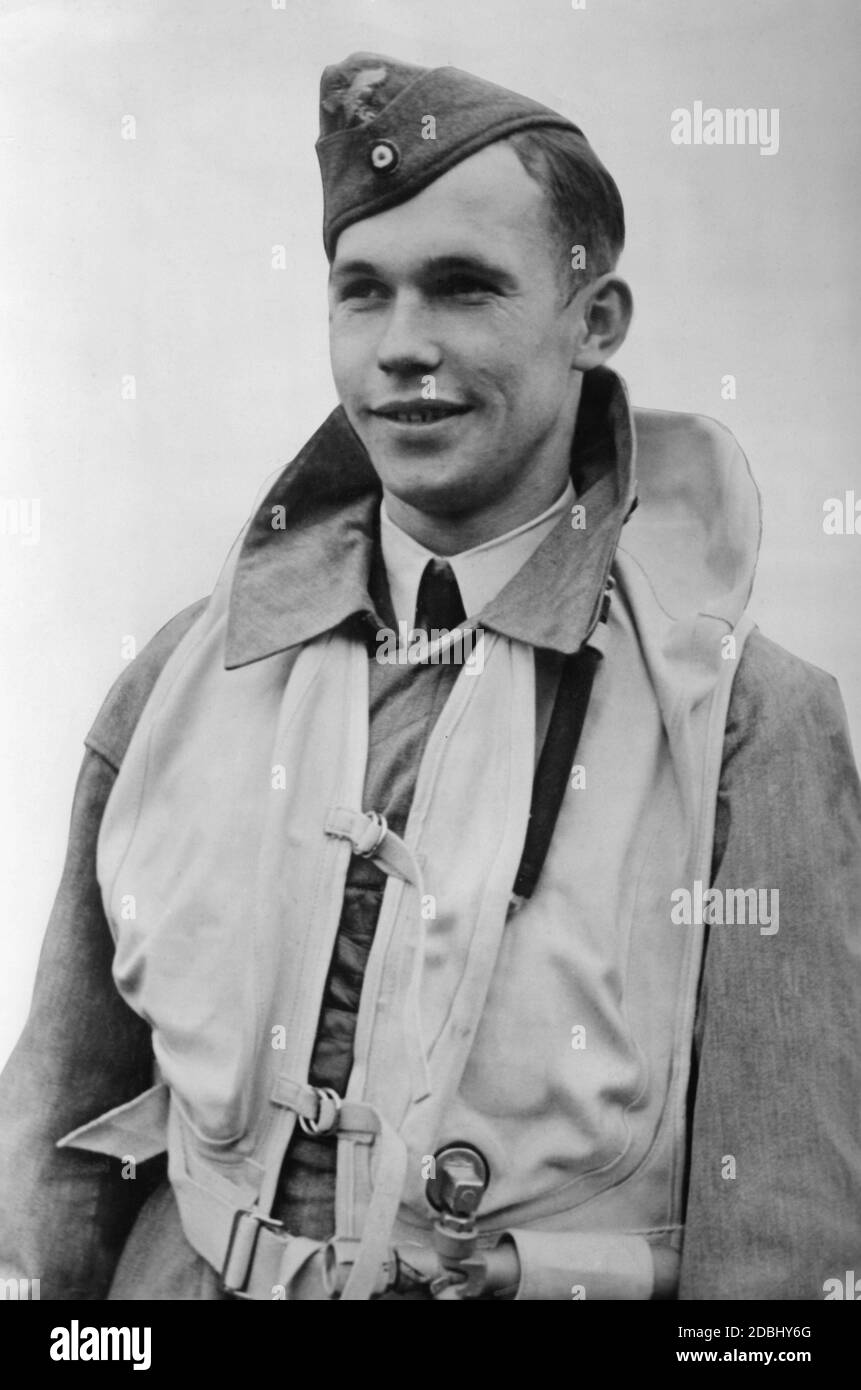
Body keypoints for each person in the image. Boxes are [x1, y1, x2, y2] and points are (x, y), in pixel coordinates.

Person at [1, 52, 859, 1302]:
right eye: (365, 293)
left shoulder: (749, 721)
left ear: (594, 320)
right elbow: (57, 1144)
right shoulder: (181, 680)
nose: (404, 347)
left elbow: (782, 1240)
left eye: (463, 290)